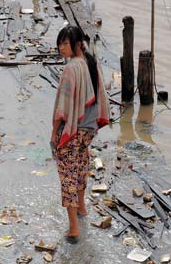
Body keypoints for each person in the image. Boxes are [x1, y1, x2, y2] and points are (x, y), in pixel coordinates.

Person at [51, 25, 110, 244]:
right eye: (60, 43)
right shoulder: (90, 62)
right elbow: (97, 95)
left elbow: (63, 109)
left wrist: (54, 133)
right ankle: (82, 207)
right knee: (81, 166)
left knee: (67, 175)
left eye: (65, 43)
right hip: (89, 128)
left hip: (74, 129)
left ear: (77, 44)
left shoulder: (71, 69)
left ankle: (74, 228)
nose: (61, 48)